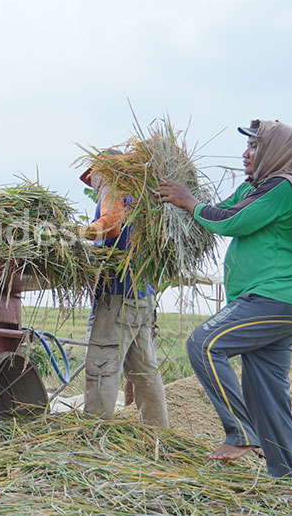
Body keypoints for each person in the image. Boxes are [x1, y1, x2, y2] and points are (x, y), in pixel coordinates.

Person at [156, 119, 292, 479]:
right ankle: (286, 479)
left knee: (203, 343)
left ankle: (241, 433)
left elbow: (229, 220)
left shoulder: (283, 188)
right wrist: (186, 203)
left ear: (277, 153)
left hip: (272, 301)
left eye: (256, 147)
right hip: (278, 304)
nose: (246, 154)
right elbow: (218, 210)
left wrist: (188, 200)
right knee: (267, 395)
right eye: (248, 147)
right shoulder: (256, 187)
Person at [79, 156, 169, 429]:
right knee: (144, 371)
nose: (93, 183)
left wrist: (79, 232)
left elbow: (110, 224)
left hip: (118, 296)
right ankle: (157, 431)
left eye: (93, 176)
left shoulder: (113, 187)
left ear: (103, 171)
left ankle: (94, 435)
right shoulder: (142, 197)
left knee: (102, 367)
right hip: (142, 297)